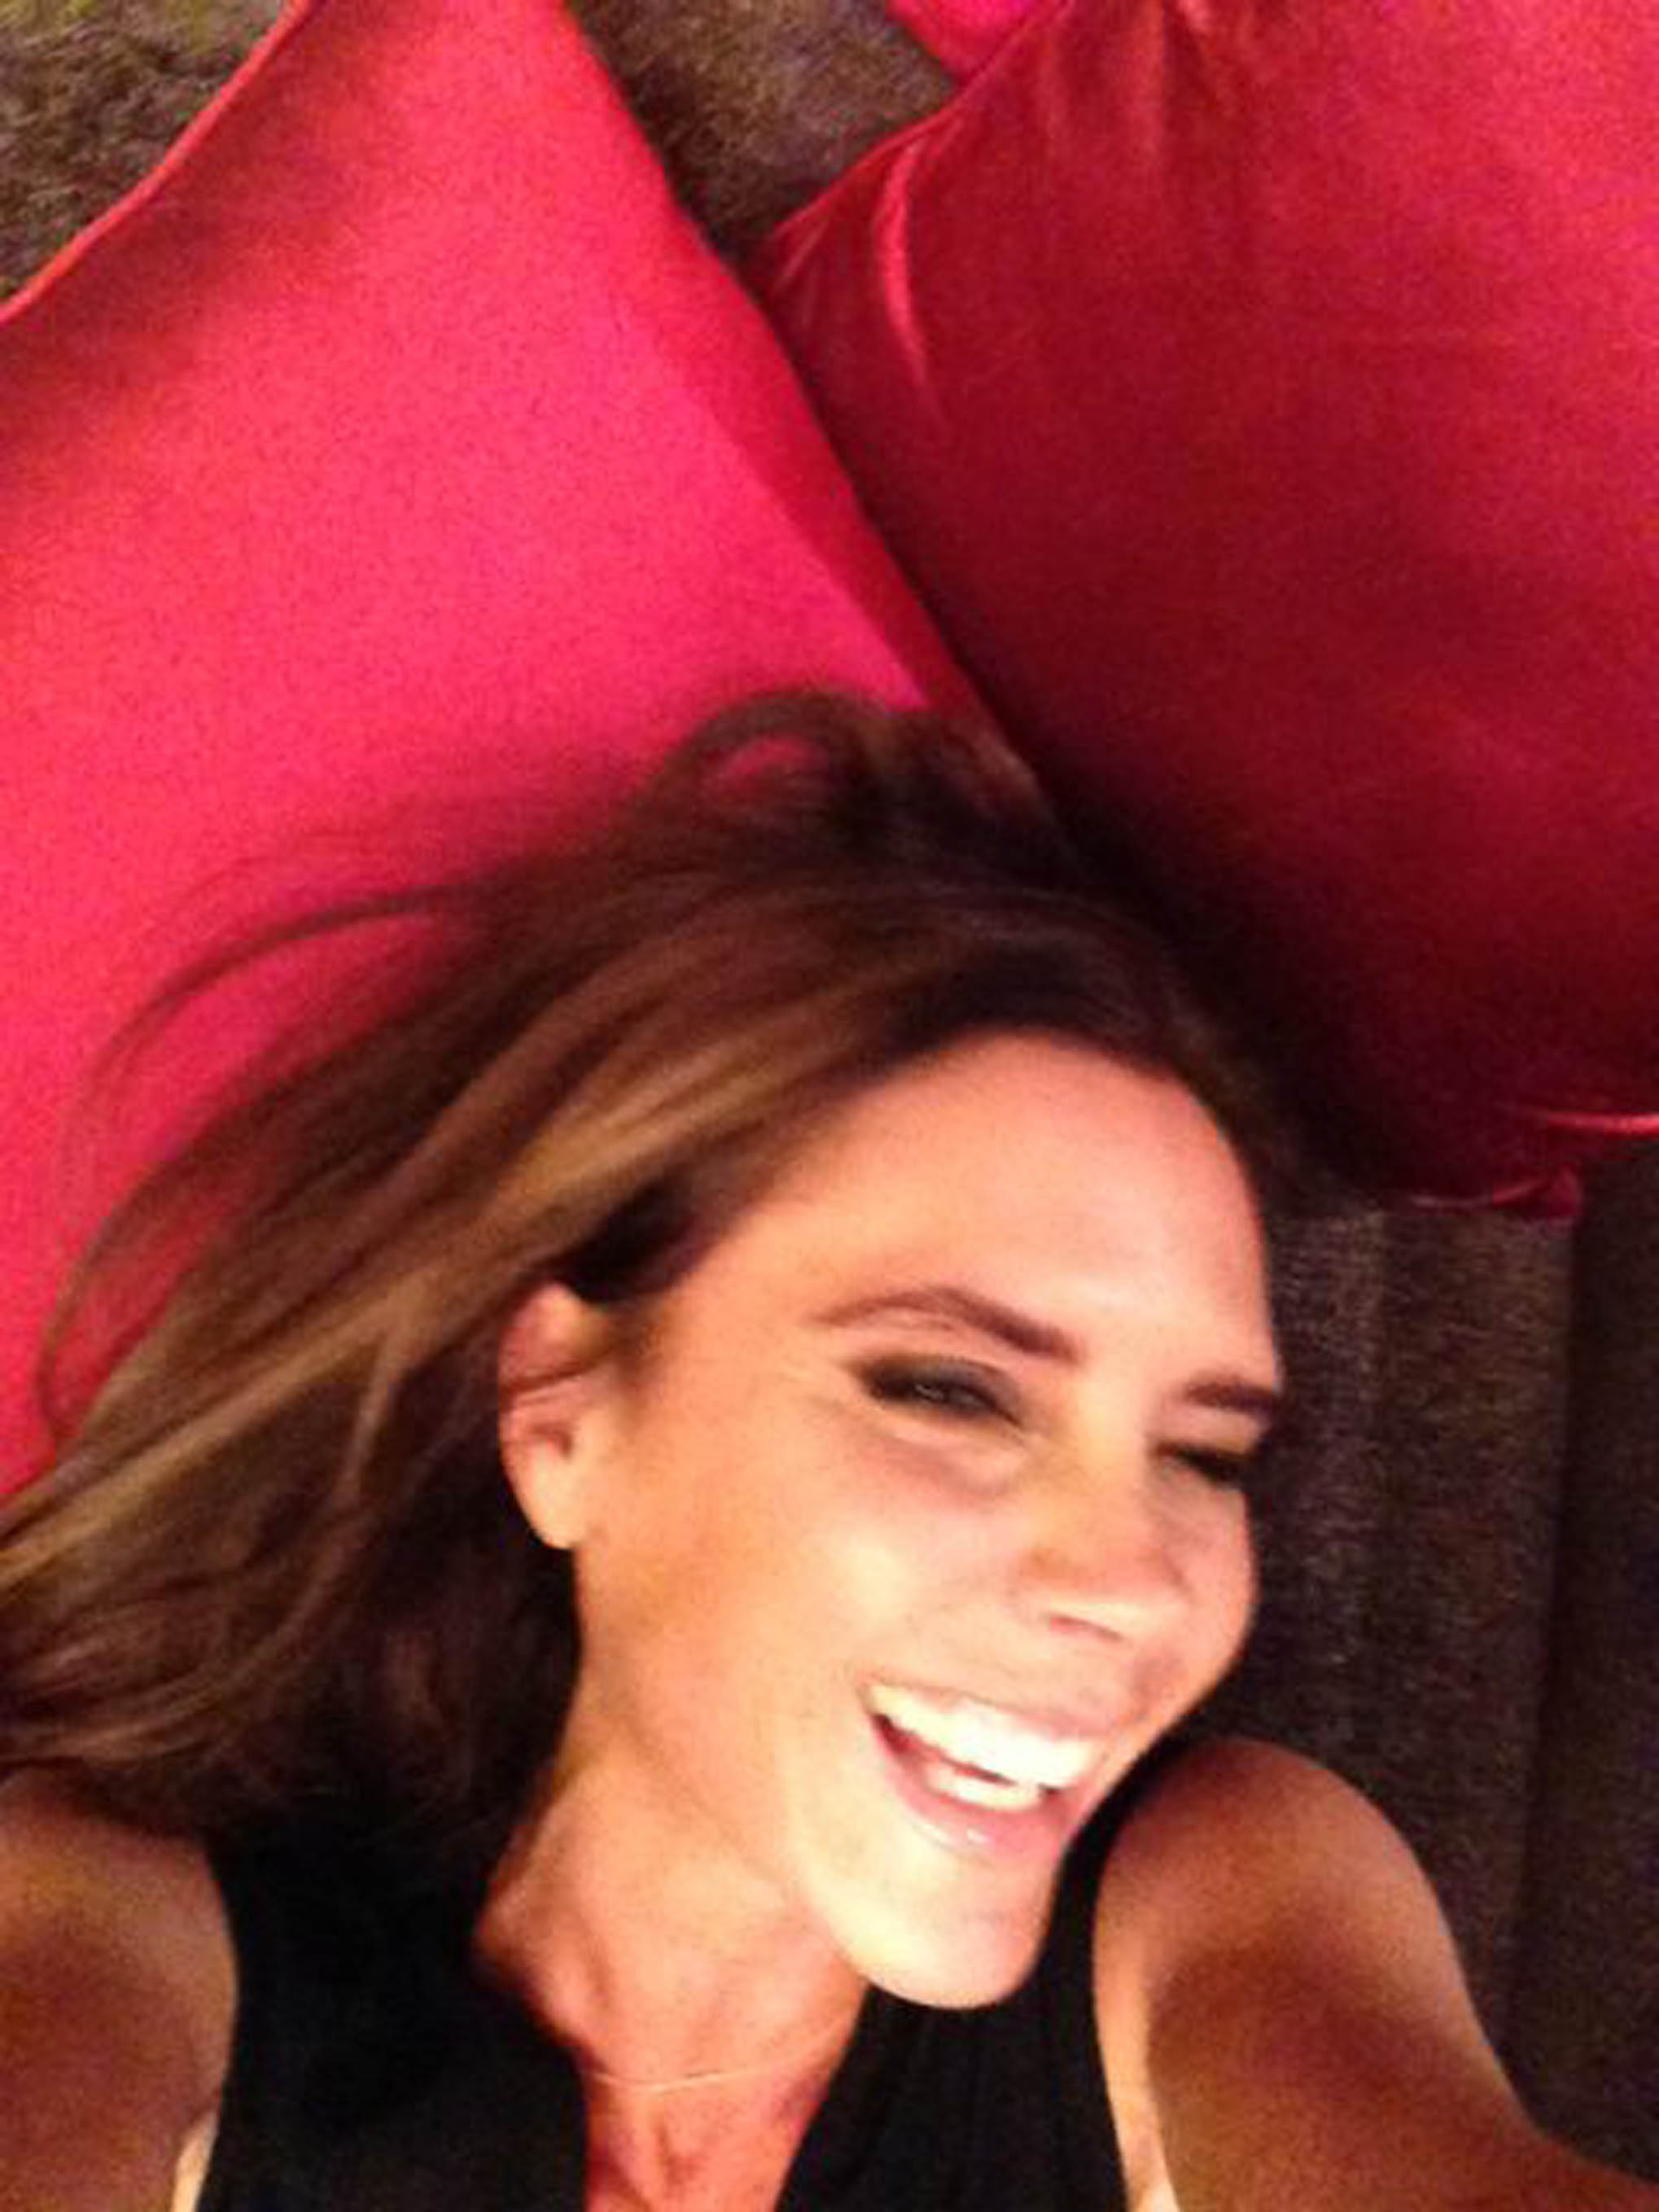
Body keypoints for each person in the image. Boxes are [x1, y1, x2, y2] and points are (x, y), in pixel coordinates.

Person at [0, 691, 1652, 2212]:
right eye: (948, 1390)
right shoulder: (136, 1933)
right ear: (562, 1410)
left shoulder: (1220, 1896)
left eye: (1201, 1453)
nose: (1137, 1583)